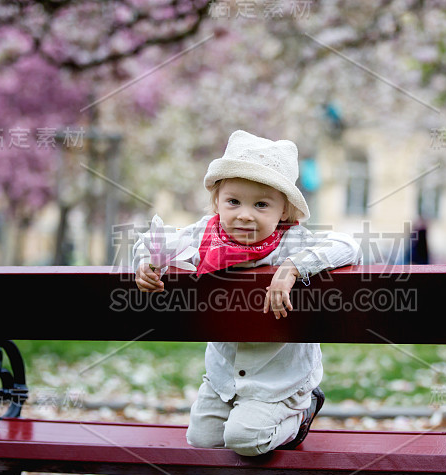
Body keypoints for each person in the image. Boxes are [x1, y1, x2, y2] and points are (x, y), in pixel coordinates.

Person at [133, 130, 362, 456]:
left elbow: (348, 245)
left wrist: (292, 267)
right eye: (233, 201)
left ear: (284, 211)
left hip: (278, 379)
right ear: (217, 202)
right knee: (202, 439)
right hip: (224, 374)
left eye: (261, 204)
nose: (244, 214)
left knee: (244, 439)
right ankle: (242, 410)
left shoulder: (290, 241)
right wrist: (146, 262)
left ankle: (300, 413)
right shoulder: (203, 235)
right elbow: (153, 242)